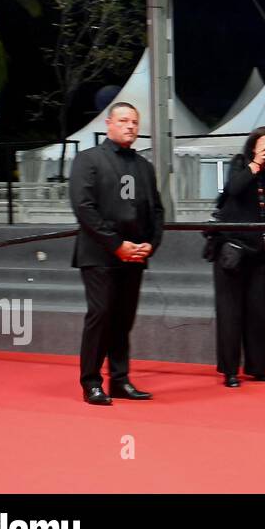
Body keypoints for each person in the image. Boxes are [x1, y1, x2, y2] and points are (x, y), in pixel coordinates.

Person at [68, 103, 163, 405]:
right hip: (99, 255)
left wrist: (151, 244)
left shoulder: (144, 166)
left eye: (135, 122)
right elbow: (83, 207)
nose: (130, 126)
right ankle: (91, 382)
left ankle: (120, 380)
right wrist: (116, 245)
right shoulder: (88, 160)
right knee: (101, 315)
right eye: (123, 120)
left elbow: (157, 210)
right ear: (109, 123)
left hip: (134, 255)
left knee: (123, 320)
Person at [212, 126, 265, 387]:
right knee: (230, 312)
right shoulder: (240, 164)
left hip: (259, 251)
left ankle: (257, 367)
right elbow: (233, 189)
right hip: (232, 250)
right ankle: (230, 371)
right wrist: (256, 164)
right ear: (253, 147)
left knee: (257, 311)